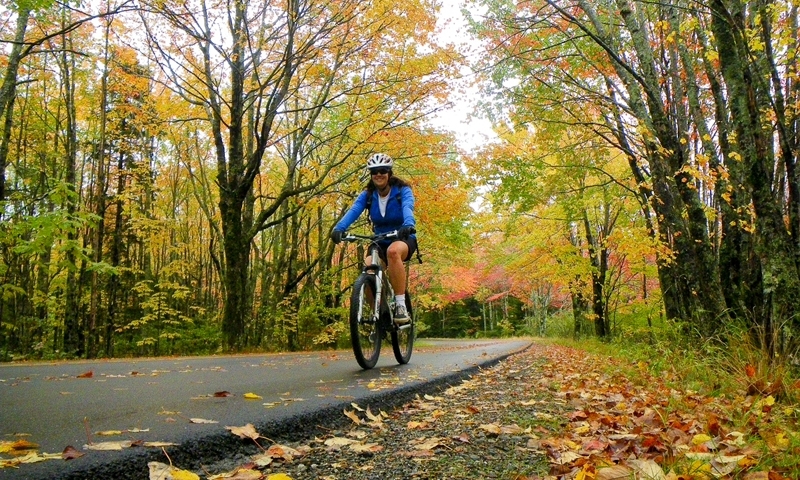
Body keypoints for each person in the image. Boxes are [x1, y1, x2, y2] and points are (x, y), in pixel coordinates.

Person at [331, 153, 417, 324]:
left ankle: (400, 305)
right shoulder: (368, 195)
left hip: (402, 237)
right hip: (379, 240)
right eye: (374, 171)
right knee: (369, 268)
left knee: (393, 252)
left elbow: (408, 206)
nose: (379, 174)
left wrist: (408, 224)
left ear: (389, 172)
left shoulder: (402, 190)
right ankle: (380, 312)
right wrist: (339, 228)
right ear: (371, 174)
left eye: (383, 170)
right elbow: (354, 210)